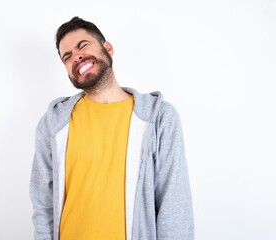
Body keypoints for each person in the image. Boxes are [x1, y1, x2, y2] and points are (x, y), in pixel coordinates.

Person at [30, 16, 194, 240]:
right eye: (66, 57)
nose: (75, 56)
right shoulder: (53, 123)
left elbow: (174, 205)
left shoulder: (159, 118)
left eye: (83, 45)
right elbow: (43, 204)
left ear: (108, 48)